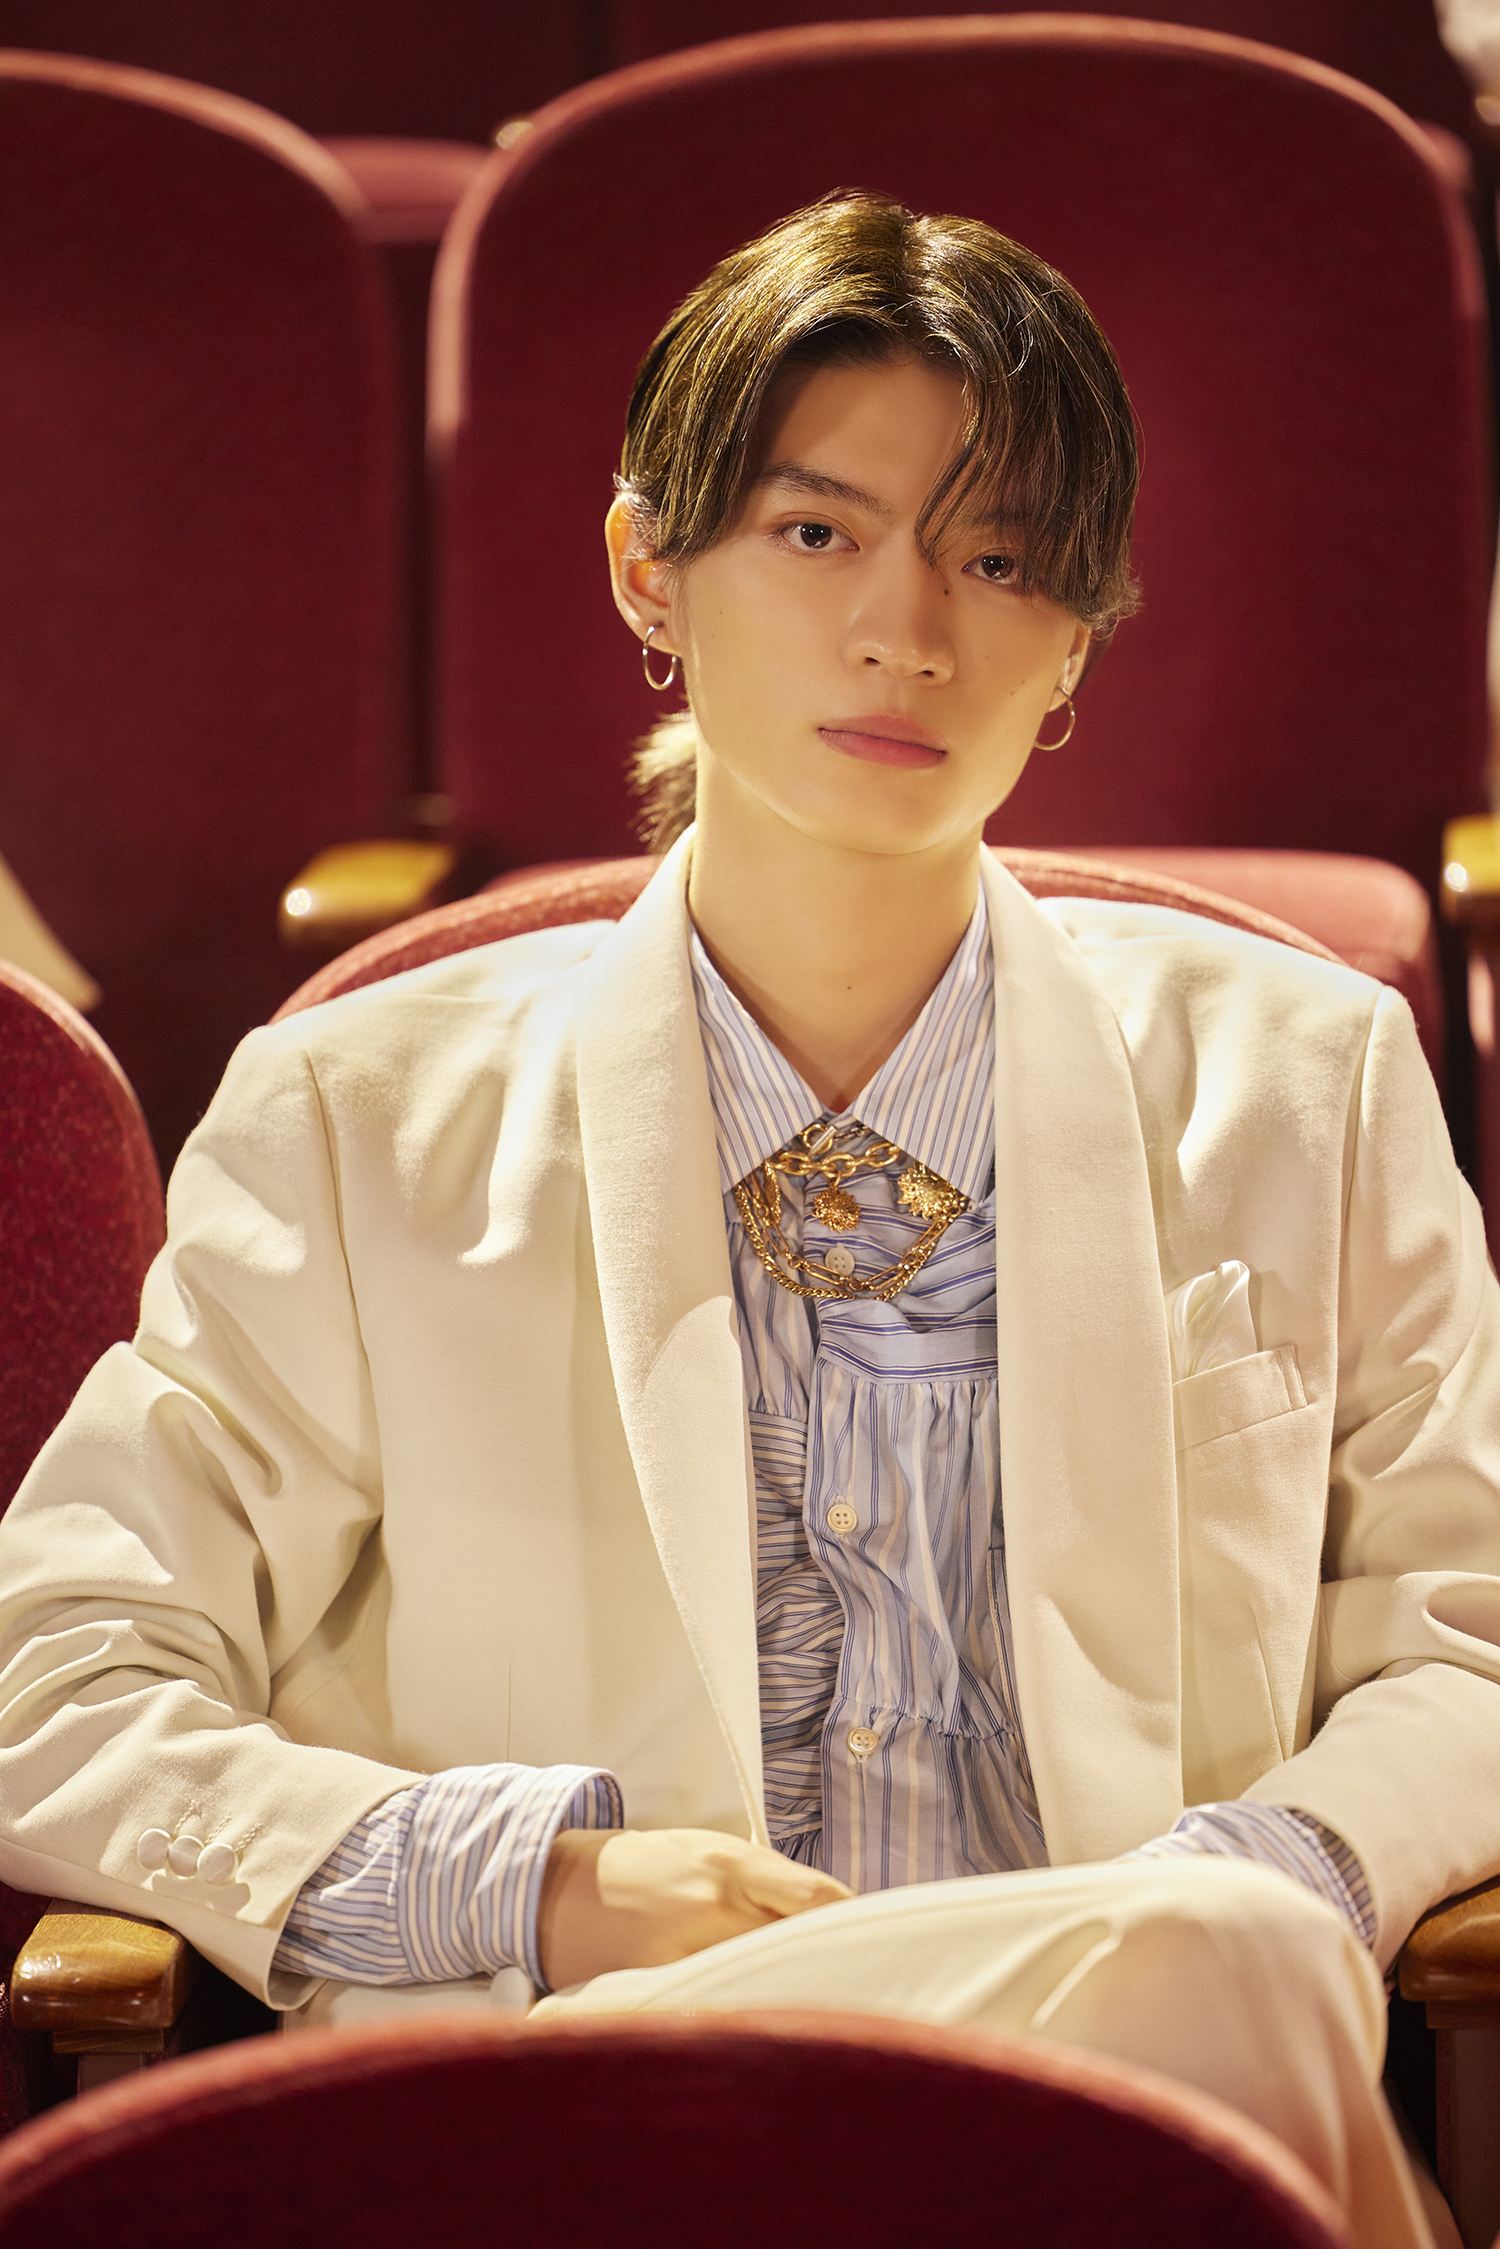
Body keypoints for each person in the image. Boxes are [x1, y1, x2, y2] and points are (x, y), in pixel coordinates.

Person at [1, 194, 1496, 2248]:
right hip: (594, 2105)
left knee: (1222, 1955)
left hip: (1135, 2097)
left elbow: (1476, 1630)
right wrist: (528, 1882)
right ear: (651, 568)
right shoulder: (353, 1118)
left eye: (1000, 559)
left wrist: (1284, 1870)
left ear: (1076, 640)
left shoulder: (1308, 1078)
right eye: (816, 532)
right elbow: (53, 1670)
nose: (908, 630)